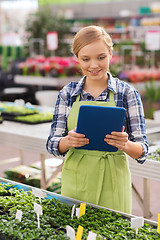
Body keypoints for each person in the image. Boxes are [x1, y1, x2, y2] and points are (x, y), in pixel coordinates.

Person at [46, 25, 148, 214]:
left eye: (101, 57)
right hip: (76, 180)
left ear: (110, 54)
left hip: (113, 182)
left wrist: (125, 144)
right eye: (86, 59)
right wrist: (68, 141)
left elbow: (142, 151)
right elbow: (52, 144)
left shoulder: (127, 94)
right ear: (77, 59)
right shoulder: (67, 94)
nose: (94, 65)